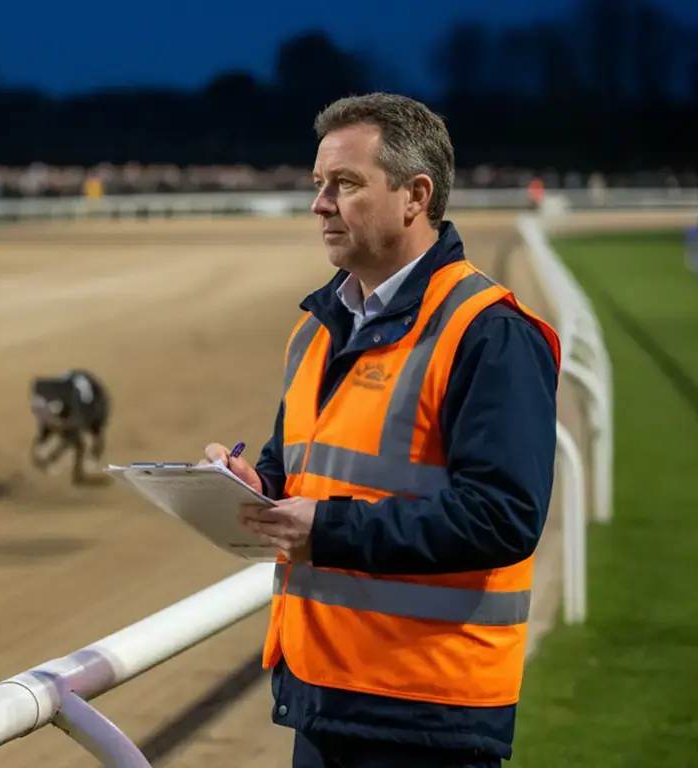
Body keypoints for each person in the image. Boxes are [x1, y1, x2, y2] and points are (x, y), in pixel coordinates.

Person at [204, 93, 562, 767]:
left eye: (345, 184)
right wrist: (254, 484)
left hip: (428, 716)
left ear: (414, 196)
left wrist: (328, 529)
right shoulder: (314, 329)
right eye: (318, 185)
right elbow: (300, 471)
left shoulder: (490, 332)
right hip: (321, 699)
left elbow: (504, 516)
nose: (320, 204)